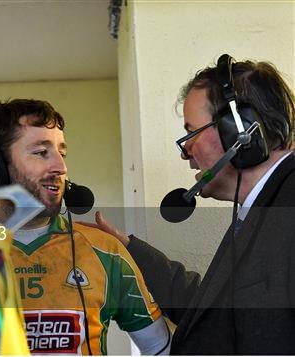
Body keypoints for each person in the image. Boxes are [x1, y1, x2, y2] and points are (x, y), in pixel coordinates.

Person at [87, 55, 295, 354]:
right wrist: (128, 249)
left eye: (192, 132)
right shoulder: (259, 211)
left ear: (240, 132)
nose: (186, 151)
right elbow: (213, 314)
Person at [0, 99, 171, 355]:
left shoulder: (106, 251)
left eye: (61, 153)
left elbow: (158, 346)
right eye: (41, 152)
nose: (61, 167)